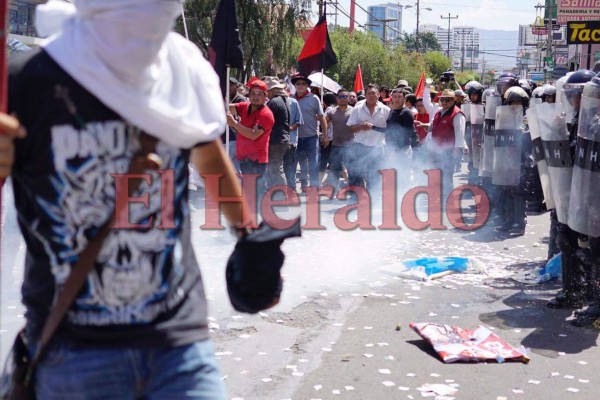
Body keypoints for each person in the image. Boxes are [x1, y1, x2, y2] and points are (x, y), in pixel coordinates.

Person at [0, 1, 262, 398]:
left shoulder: (183, 73)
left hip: (178, 340)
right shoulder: (27, 82)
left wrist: (248, 236)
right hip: (73, 348)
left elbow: (208, 156)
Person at [228, 80, 275, 201]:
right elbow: (229, 108)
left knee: (257, 194)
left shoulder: (266, 115)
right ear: (248, 95)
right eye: (253, 93)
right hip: (244, 159)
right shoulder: (245, 107)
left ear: (265, 96)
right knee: (250, 193)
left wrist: (234, 124)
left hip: (256, 161)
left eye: (260, 94)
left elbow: (253, 135)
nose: (255, 97)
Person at [347, 83, 390, 195]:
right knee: (357, 173)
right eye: (369, 93)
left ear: (378, 95)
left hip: (377, 147)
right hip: (360, 146)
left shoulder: (385, 110)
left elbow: (390, 130)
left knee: (375, 174)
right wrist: (361, 127)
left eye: (374, 93)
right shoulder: (357, 109)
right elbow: (351, 128)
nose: (371, 95)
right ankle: (358, 197)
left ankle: (372, 198)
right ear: (365, 95)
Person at [428, 89, 467, 204]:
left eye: (447, 100)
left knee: (446, 176)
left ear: (453, 100)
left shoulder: (457, 114)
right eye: (442, 99)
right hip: (437, 151)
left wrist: (457, 151)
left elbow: (460, 135)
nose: (444, 102)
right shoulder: (439, 112)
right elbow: (432, 126)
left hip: (449, 152)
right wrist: (424, 125)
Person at [292, 73, 328, 190]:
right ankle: (302, 185)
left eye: (303, 84)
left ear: (307, 86)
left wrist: (325, 135)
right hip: (295, 137)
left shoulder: (314, 98)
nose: (301, 86)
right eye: (298, 84)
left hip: (311, 137)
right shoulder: (290, 99)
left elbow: (322, 117)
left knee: (313, 164)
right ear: (295, 86)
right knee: (296, 163)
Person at [325, 89, 357, 192]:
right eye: (340, 97)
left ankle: (354, 192)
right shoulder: (332, 111)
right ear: (336, 98)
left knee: (352, 170)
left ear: (348, 98)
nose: (342, 99)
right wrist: (325, 135)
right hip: (336, 145)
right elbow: (324, 122)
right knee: (334, 170)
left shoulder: (354, 111)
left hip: (351, 146)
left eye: (344, 97)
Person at [264, 77, 291, 189]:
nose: (266, 93)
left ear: (272, 90)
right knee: (275, 168)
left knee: (275, 169)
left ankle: (282, 194)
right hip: (282, 139)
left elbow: (266, 120)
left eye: (268, 90)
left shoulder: (274, 102)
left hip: (276, 140)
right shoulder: (284, 100)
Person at [385, 89, 415, 189]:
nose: (397, 99)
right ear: (391, 98)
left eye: (399, 97)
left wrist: (395, 151)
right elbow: (388, 131)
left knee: (403, 176)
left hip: (402, 150)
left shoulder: (407, 113)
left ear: (404, 98)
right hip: (391, 149)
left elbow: (406, 134)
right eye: (395, 97)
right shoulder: (392, 111)